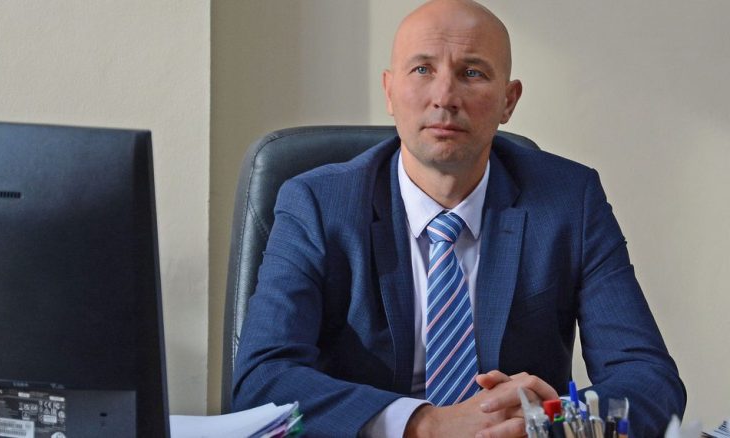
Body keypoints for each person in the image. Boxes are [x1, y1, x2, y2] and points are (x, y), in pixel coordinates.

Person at [232, 0, 686, 436]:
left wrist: (550, 422)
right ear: (389, 91)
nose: (445, 97)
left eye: (472, 73)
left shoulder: (569, 200)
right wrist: (425, 425)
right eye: (422, 69)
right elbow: (262, 379)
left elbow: (649, 379)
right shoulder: (317, 202)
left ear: (509, 100)